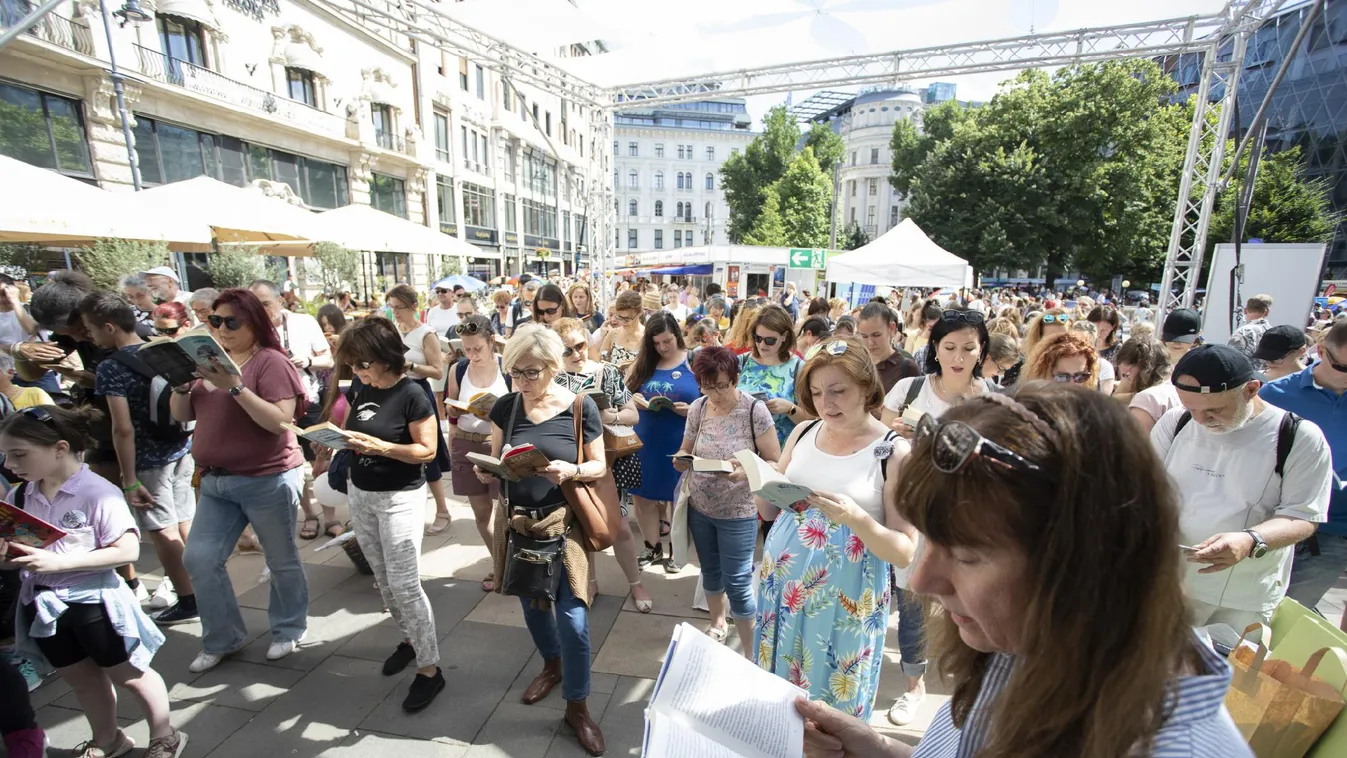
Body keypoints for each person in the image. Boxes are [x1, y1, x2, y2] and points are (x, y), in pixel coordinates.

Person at [797, 381, 1256, 758]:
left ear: (1086, 561)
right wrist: (874, 748)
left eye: (968, 555)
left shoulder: (1169, 747)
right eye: (932, 540)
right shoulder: (1036, 640)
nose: (922, 581)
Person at [0, 405, 186, 758]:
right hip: (45, 607)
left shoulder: (98, 492)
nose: (10, 465)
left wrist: (57, 562)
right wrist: (8, 559)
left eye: (19, 454)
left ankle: (165, 734)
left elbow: (128, 550)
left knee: (131, 675)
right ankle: (109, 740)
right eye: (6, 455)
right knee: (82, 681)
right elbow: (20, 561)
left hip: (95, 604)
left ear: (59, 448)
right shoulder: (20, 496)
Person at [756, 338, 916, 719]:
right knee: (779, 702)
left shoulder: (894, 452)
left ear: (866, 385)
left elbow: (904, 551)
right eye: (816, 392)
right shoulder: (804, 431)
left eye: (838, 391)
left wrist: (856, 518)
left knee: (833, 705)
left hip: (845, 602)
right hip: (783, 590)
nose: (826, 403)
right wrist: (753, 478)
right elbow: (767, 508)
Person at [475, 324, 607, 757]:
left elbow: (599, 467)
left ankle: (578, 707)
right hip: (517, 524)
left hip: (563, 525)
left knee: (574, 621)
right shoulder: (508, 407)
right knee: (531, 604)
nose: (522, 382)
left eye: (531, 373)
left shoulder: (579, 407)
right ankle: (551, 665)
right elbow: (497, 459)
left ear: (553, 367)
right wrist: (488, 469)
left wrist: (569, 471)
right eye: (515, 372)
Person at [171, 289, 310, 674]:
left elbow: (280, 422)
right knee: (198, 557)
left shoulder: (270, 362)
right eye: (216, 321)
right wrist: (181, 385)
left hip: (267, 477)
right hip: (216, 481)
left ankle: (287, 628)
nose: (223, 328)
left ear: (254, 324)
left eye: (232, 322)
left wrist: (235, 386)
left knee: (280, 559)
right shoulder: (208, 361)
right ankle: (222, 637)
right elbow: (181, 413)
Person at [1153, 345, 1332, 632]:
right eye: (1192, 408)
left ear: (1251, 389)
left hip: (1240, 598)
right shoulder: (1176, 421)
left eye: (1215, 410)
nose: (1201, 420)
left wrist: (1251, 540)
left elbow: (1303, 516)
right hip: (1166, 585)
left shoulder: (1298, 437)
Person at [332, 318, 445, 712]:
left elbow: (427, 452)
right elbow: (353, 428)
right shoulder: (365, 386)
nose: (358, 373)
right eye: (353, 367)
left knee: (404, 584)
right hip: (361, 493)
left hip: (400, 497)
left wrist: (381, 447)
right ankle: (410, 639)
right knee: (382, 581)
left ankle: (430, 669)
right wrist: (336, 442)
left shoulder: (413, 393)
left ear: (385, 358)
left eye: (363, 365)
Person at [79, 292, 199, 626]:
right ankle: (205, 586)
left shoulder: (111, 367)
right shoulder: (160, 348)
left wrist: (128, 479)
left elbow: (123, 428)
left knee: (162, 530)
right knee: (186, 520)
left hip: (148, 460)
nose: (90, 336)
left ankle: (189, 599)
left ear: (109, 327)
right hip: (180, 447)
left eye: (91, 329)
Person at [672, 346, 779, 650]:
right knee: (710, 571)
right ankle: (717, 624)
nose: (715, 393)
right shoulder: (699, 408)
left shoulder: (754, 411)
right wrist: (681, 459)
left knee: (739, 582)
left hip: (739, 510)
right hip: (701, 505)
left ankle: (749, 651)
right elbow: (686, 447)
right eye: (707, 385)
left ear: (735, 378)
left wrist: (744, 470)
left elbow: (774, 462)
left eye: (721, 384)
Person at [553, 317, 650, 610]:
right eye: (566, 350)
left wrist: (611, 417)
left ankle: (636, 584)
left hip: (606, 459)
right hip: (570, 461)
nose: (575, 354)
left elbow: (633, 414)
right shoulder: (552, 377)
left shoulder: (605, 372)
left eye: (580, 346)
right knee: (582, 525)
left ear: (588, 340)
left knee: (619, 526)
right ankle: (590, 582)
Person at [1260, 320, 1347, 631]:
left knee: (1287, 616)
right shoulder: (1274, 394)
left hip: (1332, 530)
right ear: (1320, 351)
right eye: (1343, 367)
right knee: (1254, 612)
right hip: (1272, 520)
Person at [249, 280, 337, 540]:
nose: (261, 310)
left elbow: (328, 359)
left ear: (280, 300)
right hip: (271, 406)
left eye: (265, 303)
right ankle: (309, 515)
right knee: (290, 465)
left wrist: (307, 361)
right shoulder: (249, 329)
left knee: (321, 458)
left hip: (307, 400)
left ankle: (330, 517)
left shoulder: (303, 322)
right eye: (255, 305)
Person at [627, 312, 700, 571]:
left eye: (667, 341)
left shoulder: (693, 359)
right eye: (656, 343)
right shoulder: (645, 362)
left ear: (677, 336)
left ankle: (676, 552)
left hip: (679, 439)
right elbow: (626, 392)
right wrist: (634, 399)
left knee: (678, 500)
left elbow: (711, 400)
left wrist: (691, 409)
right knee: (643, 497)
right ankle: (651, 547)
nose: (662, 347)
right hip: (646, 438)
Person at [445, 314, 508, 591]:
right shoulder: (458, 369)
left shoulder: (507, 367)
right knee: (481, 513)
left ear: (491, 341)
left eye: (477, 349)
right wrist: (452, 418)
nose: (471, 355)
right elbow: (452, 415)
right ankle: (500, 565)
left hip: (500, 444)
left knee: (506, 511)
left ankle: (512, 563)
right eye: (466, 349)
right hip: (467, 443)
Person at [385, 285, 455, 536]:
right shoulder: (391, 331)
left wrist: (410, 365)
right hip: (394, 394)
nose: (395, 313)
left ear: (414, 306)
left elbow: (438, 370)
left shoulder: (426, 333)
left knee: (428, 452)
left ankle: (443, 510)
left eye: (399, 307)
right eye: (391, 307)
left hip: (418, 394)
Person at [881, 309, 994, 434]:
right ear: (936, 347)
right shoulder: (906, 389)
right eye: (949, 348)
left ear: (981, 349)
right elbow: (879, 446)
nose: (958, 358)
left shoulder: (994, 398)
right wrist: (894, 436)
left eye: (968, 348)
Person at [737, 305, 809, 446]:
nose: (762, 345)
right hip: (742, 448)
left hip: (782, 451)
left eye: (770, 340)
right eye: (758, 338)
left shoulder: (798, 368)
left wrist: (789, 408)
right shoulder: (741, 362)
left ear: (784, 337)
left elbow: (811, 420)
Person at [856, 301, 919, 397]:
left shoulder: (907, 368)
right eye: (864, 336)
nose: (870, 343)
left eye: (876, 335)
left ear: (892, 329)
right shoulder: (855, 363)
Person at [1022, 332, 1101, 391]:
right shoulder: (1030, 408)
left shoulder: (1096, 410)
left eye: (1080, 377)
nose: (1072, 384)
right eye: (1062, 377)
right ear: (1046, 374)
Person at [595, 290, 643, 367]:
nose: (623, 322)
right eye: (619, 317)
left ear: (639, 313)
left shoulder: (647, 337)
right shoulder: (614, 334)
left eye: (627, 319)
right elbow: (599, 361)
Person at [1228, 293, 1274, 361]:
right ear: (1267, 312)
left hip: (1247, 371)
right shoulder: (1273, 331)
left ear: (1245, 310)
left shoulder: (1242, 332)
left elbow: (1232, 359)